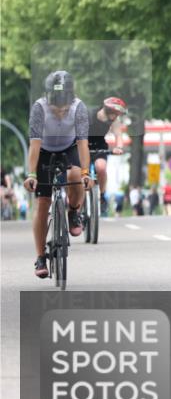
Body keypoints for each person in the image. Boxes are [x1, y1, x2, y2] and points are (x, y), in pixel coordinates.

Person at [23, 71, 91, 278]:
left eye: (64, 107)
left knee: (76, 176)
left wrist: (86, 173)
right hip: (44, 151)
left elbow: (83, 144)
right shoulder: (39, 108)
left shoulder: (79, 108)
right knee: (43, 202)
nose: (60, 111)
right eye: (55, 106)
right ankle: (40, 256)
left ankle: (73, 211)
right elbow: (34, 145)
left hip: (69, 148)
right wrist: (31, 174)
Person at [87, 96, 127, 216]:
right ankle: (75, 208)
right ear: (108, 110)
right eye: (115, 113)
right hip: (82, 144)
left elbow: (118, 135)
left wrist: (119, 147)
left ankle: (102, 195)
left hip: (99, 146)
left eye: (118, 114)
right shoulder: (89, 115)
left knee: (101, 167)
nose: (116, 116)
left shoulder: (114, 120)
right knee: (78, 175)